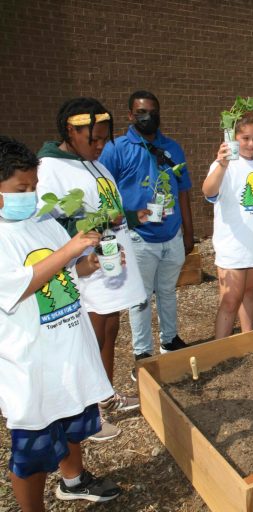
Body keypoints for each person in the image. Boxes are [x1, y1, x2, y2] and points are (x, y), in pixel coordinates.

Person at [0, 136, 122, 509]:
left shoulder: (41, 221)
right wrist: (71, 249)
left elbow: (70, 268)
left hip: (66, 345)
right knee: (32, 450)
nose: (32, 196)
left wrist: (90, 263)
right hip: (30, 360)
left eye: (34, 187)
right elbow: (20, 287)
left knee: (72, 419)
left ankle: (73, 479)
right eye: (22, 189)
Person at [36, 97, 149, 441]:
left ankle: (105, 396)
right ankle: (90, 411)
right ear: (70, 131)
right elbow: (50, 222)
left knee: (110, 328)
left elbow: (102, 205)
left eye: (104, 139)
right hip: (85, 265)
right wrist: (92, 227)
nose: (100, 145)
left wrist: (129, 217)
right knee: (92, 335)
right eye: (93, 139)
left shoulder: (92, 161)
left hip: (111, 260)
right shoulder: (50, 168)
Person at [99, 90, 194, 374]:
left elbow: (184, 190)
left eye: (152, 111)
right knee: (139, 298)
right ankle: (143, 353)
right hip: (139, 236)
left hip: (171, 234)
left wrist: (188, 231)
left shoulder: (172, 148)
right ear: (130, 115)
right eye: (141, 112)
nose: (147, 116)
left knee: (167, 291)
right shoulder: (117, 148)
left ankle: (170, 340)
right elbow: (104, 190)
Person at [202, 113, 253, 339]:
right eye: (245, 138)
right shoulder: (224, 164)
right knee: (230, 300)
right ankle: (220, 348)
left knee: (249, 294)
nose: (251, 144)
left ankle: (247, 340)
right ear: (233, 138)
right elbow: (208, 192)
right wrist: (222, 164)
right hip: (233, 245)